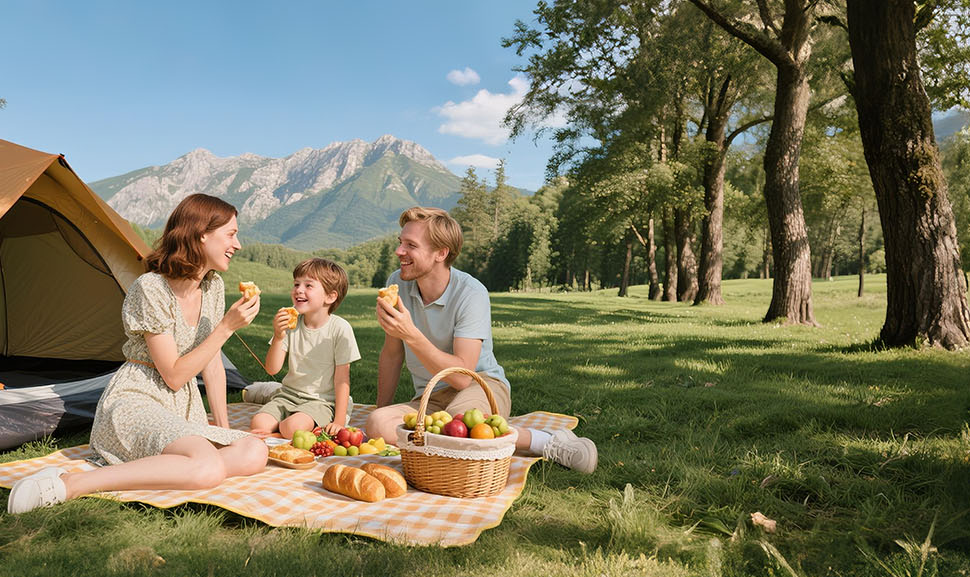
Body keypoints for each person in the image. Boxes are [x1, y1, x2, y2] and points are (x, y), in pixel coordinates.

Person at [7, 193, 266, 514]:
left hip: (182, 408)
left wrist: (224, 429)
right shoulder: (151, 288)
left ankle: (168, 467)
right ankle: (70, 483)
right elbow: (172, 375)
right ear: (201, 234)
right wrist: (226, 327)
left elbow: (211, 362)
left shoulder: (212, 288)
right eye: (231, 234)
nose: (237, 244)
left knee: (254, 450)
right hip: (137, 399)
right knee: (208, 467)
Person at [362, 206, 597, 472]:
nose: (399, 252)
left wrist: (412, 335)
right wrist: (379, 417)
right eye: (400, 242)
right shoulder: (398, 283)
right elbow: (392, 354)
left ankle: (545, 441)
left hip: (481, 384)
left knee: (460, 428)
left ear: (441, 253)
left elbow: (462, 376)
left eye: (410, 245)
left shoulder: (471, 293)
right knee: (378, 423)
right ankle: (463, 438)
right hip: (431, 396)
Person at [248, 258, 361, 438]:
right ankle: (281, 430)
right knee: (258, 422)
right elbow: (272, 368)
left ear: (330, 296)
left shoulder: (340, 329)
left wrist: (339, 420)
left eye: (308, 285)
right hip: (288, 395)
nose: (299, 290)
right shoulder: (291, 324)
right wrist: (278, 336)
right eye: (296, 284)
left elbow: (342, 379)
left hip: (321, 402)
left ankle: (281, 433)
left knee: (292, 427)